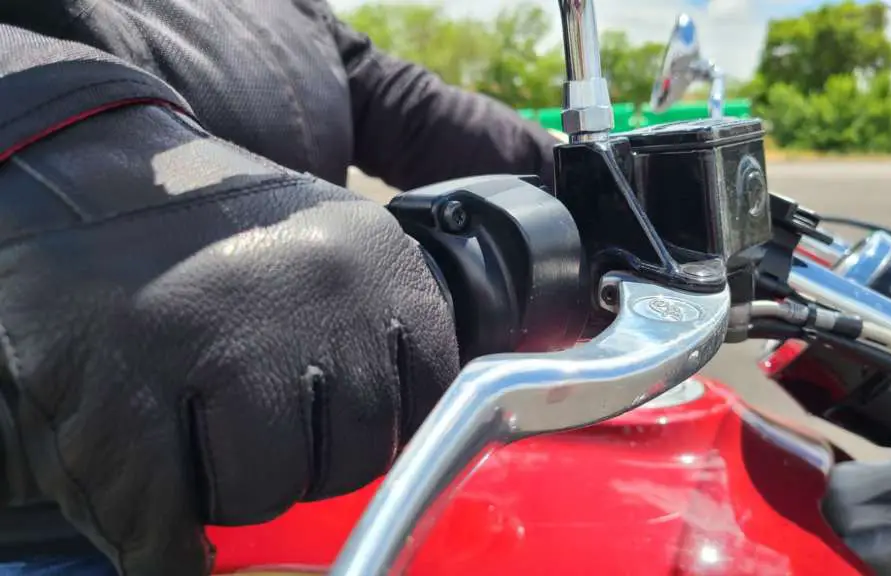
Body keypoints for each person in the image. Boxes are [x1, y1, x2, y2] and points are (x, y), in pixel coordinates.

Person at [0, 0, 562, 574]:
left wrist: (587, 177)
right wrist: (57, 136)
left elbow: (413, 111)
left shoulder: (293, 13)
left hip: (309, 462)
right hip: (54, 519)